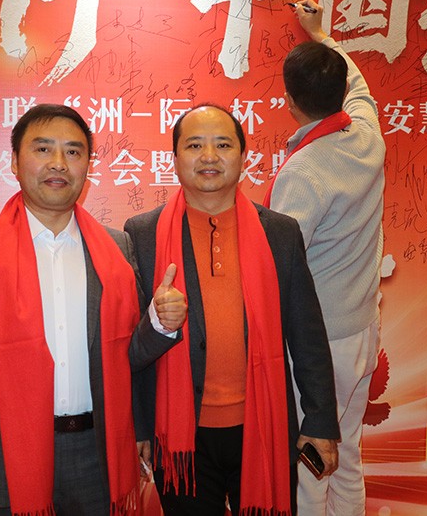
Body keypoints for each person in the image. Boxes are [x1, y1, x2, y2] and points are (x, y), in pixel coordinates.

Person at [0, 103, 177, 516]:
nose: (59, 163)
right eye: (43, 149)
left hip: (98, 451)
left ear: (87, 167)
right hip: (4, 452)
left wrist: (160, 328)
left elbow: (127, 356)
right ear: (14, 161)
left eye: (73, 152)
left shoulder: (116, 249)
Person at [126, 104, 340, 516]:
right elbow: (131, 350)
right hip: (181, 437)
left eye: (223, 145)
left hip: (262, 425)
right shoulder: (143, 233)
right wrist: (138, 426)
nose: (209, 156)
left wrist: (319, 421)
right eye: (195, 145)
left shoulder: (279, 232)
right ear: (175, 158)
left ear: (243, 156)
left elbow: (307, 335)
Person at [263, 0, 385, 516]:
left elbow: (278, 264)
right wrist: (322, 35)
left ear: (290, 102)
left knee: (309, 462)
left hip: (319, 342)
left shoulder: (304, 170)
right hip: (361, 328)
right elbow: (360, 87)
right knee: (348, 454)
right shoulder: (367, 136)